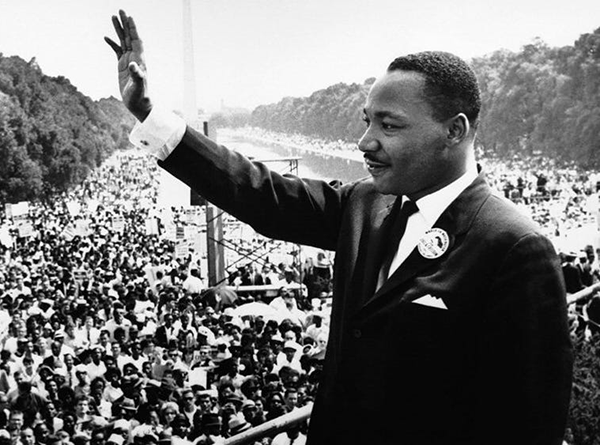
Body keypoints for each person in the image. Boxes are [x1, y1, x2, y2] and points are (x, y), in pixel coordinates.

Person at [106, 11, 573, 445]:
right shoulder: (365, 203)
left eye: (388, 125)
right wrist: (150, 114)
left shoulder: (515, 247)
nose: (364, 141)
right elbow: (257, 192)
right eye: (367, 121)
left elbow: (527, 423)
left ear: (454, 131)